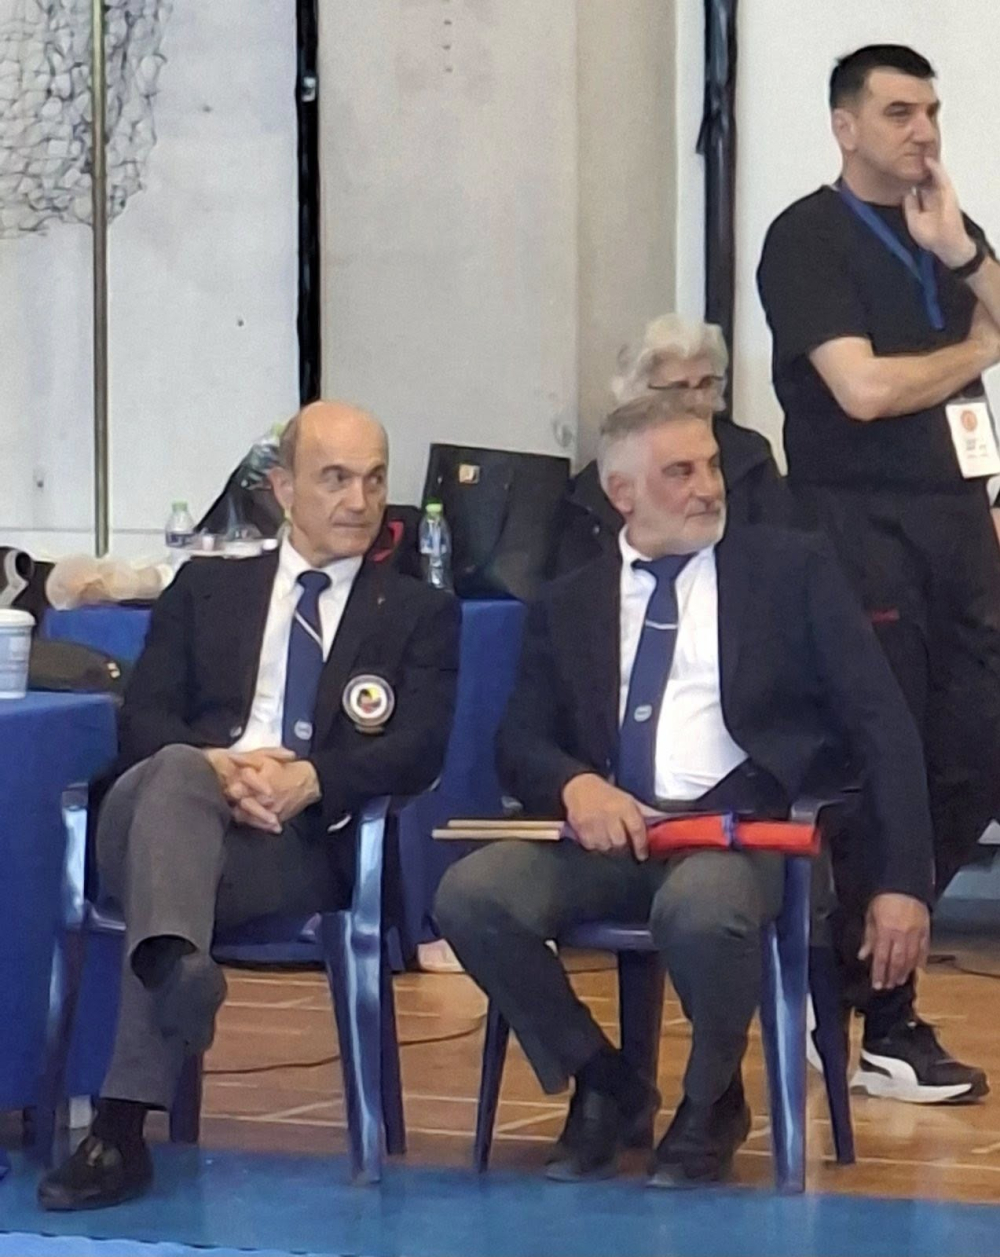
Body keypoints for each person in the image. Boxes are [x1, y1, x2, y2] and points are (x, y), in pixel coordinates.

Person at [435, 394, 932, 1187]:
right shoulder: (570, 598)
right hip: (609, 835)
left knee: (700, 908)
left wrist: (903, 881)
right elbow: (518, 741)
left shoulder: (790, 570)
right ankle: (604, 1078)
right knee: (470, 895)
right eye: (681, 471)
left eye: (711, 466)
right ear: (622, 492)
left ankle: (712, 1099)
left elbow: (884, 723)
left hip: (740, 833)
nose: (708, 487)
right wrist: (577, 784)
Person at [39, 401, 460, 1211]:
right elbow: (142, 717)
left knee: (167, 883)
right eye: (335, 479)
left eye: (374, 480)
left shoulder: (418, 613)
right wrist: (217, 769)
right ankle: (167, 988)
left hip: (288, 847)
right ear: (283, 488)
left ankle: (127, 1108)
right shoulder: (208, 587)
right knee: (173, 773)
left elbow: (420, 747)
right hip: (158, 811)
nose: (360, 501)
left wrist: (314, 778)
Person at [757, 43, 1000, 1103]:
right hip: (860, 528)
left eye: (932, 111)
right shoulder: (805, 236)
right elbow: (858, 392)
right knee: (890, 753)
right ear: (845, 125)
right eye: (900, 112)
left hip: (960, 523)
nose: (923, 132)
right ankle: (882, 1022)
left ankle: (858, 978)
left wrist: (967, 253)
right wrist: (980, 350)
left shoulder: (942, 229)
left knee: (978, 745)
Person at [551, 314, 791, 576]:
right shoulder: (596, 489)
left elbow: (781, 558)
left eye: (707, 384)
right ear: (638, 395)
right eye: (678, 389)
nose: (698, 400)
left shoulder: (749, 461)